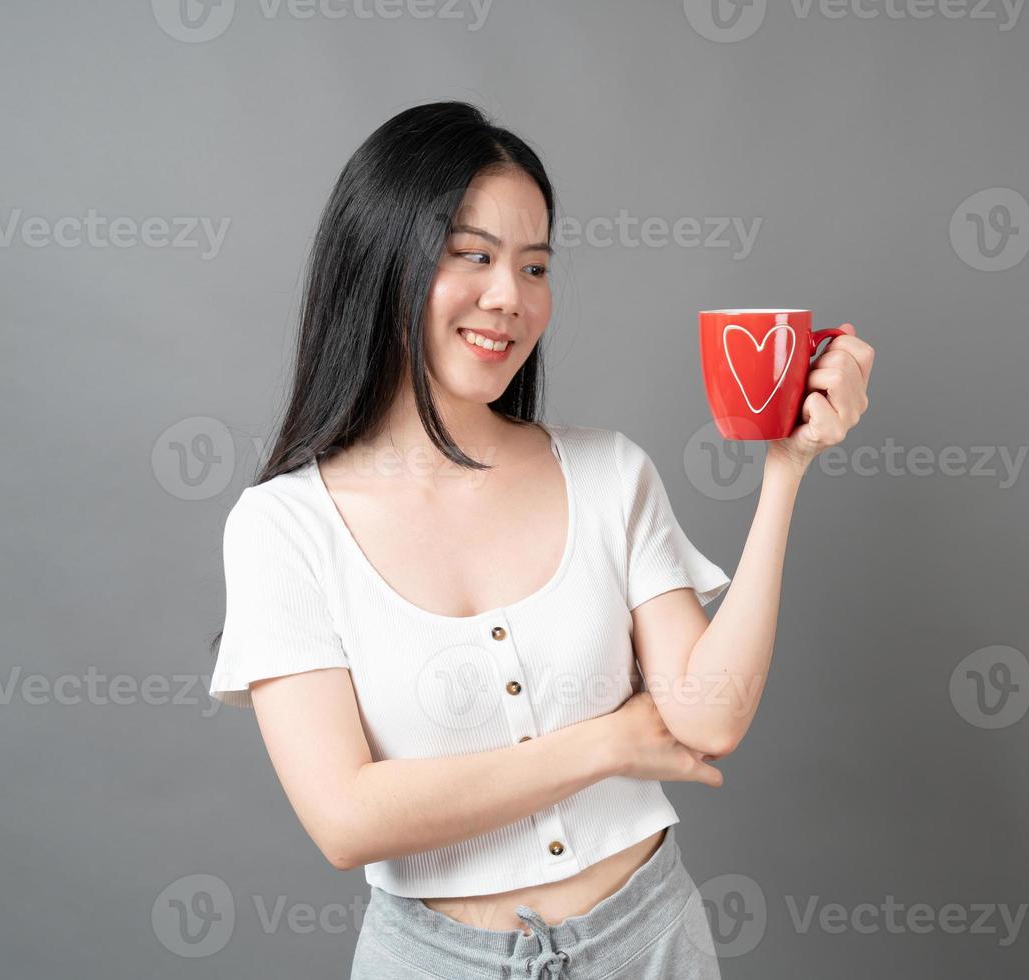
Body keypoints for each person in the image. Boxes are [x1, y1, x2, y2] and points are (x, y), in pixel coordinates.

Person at [207, 100, 874, 978]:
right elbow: (347, 818)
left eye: (534, 266)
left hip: (653, 944)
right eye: (472, 255)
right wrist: (605, 744)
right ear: (382, 260)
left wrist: (786, 471)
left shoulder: (607, 474)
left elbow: (708, 714)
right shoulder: (283, 527)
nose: (508, 298)